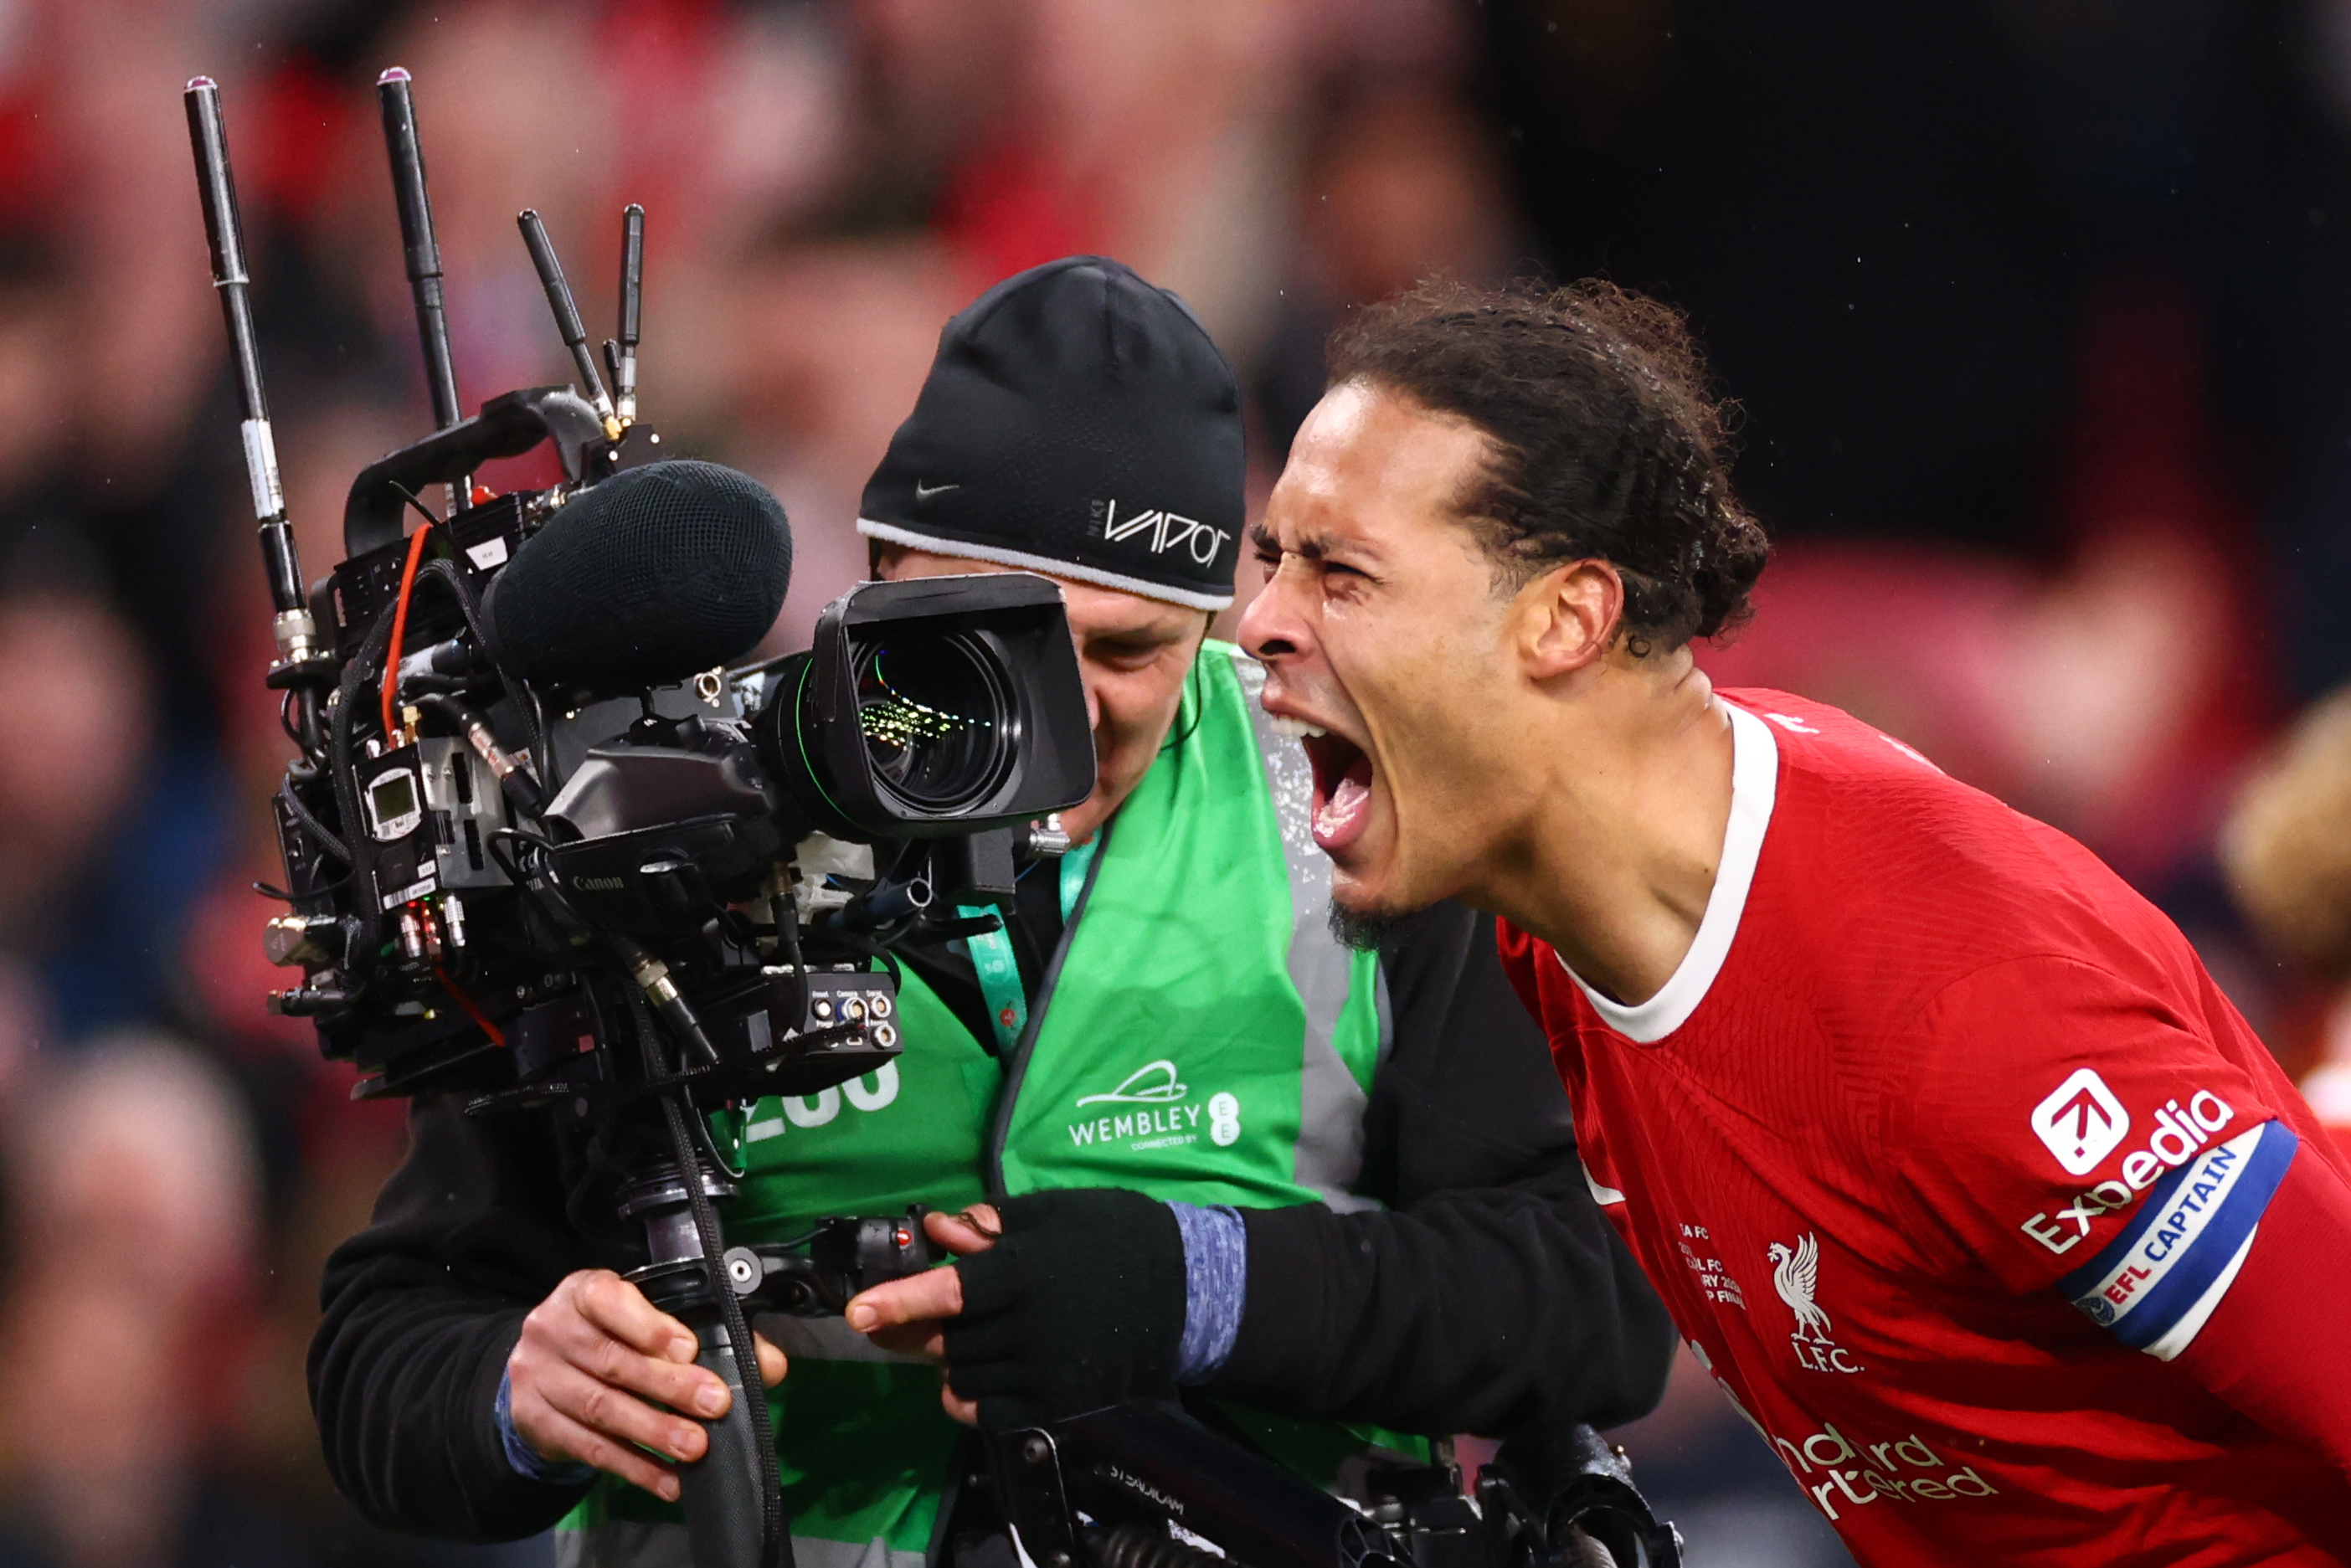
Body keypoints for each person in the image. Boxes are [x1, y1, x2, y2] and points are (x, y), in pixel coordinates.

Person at [310, 258, 1675, 1568]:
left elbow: (1592, 1305)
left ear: (1221, 622)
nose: (1063, 714)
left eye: (1130, 649)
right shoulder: (653, 818)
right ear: (882, 567)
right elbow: (382, 1351)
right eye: (993, 642)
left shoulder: (1359, 822)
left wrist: (1192, 1286)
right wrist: (515, 1388)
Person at [1235, 276, 2351, 1563]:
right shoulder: (1554, 933)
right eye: (1274, 563)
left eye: (1342, 573)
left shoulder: (1956, 994)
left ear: (1565, 617)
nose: (1263, 621)